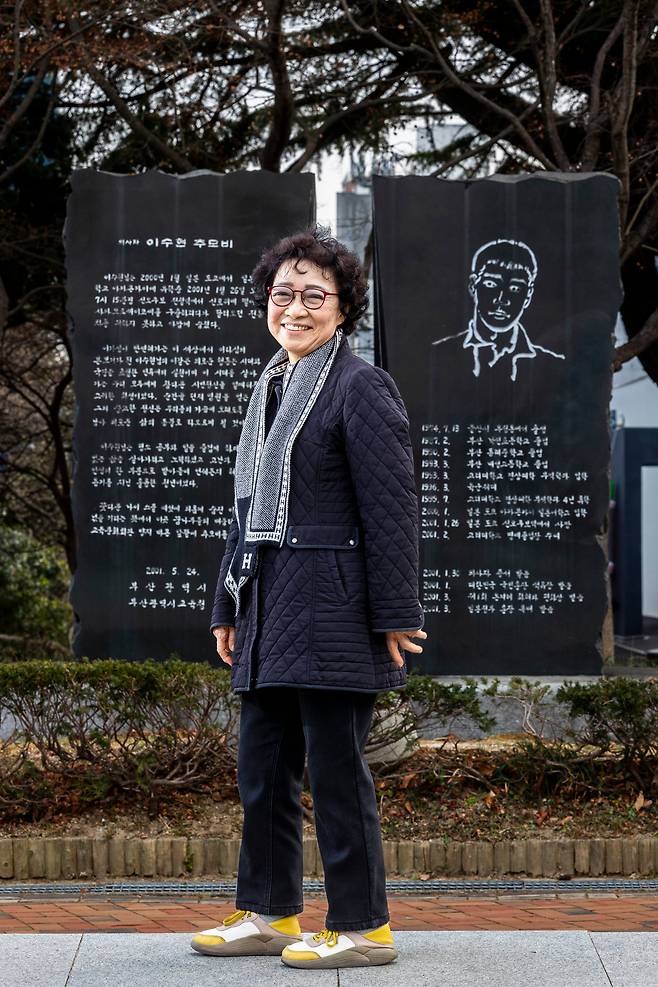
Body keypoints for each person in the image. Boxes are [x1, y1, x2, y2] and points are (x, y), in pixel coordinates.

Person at [191, 225, 427, 970]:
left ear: (343, 307)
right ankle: (269, 911)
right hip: (268, 606)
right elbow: (248, 510)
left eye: (314, 295)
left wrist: (395, 612)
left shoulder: (360, 386)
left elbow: (391, 507)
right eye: (283, 292)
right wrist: (228, 604)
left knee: (333, 772)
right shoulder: (271, 385)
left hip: (334, 607)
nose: (295, 306)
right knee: (262, 769)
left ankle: (363, 926)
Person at [432, 238, 565, 382]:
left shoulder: (553, 366)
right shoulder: (438, 355)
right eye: (491, 284)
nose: (502, 298)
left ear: (528, 296)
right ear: (472, 286)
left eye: (515, 288)